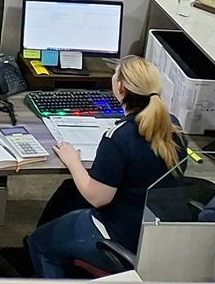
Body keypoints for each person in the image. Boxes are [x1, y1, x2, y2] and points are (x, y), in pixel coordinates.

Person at [25, 56, 185, 277]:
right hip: (154, 233)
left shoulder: (119, 137)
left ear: (120, 87)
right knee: (69, 191)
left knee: (40, 243)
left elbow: (98, 197)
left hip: (118, 235)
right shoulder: (173, 126)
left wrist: (73, 162)